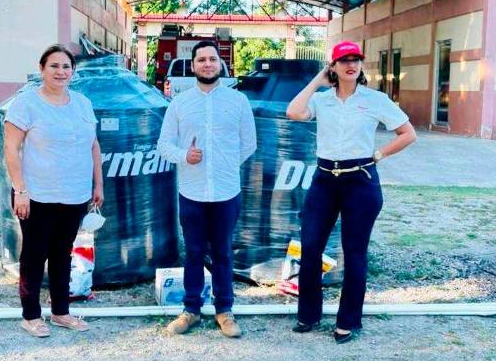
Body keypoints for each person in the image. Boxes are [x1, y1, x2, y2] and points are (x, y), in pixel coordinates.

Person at [286, 40, 416, 343]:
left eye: (356, 59)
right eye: (344, 60)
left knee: (354, 252)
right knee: (311, 247)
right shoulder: (322, 100)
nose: (351, 65)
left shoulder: (375, 99)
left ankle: (347, 321)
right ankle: (308, 315)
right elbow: (293, 112)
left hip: (360, 180)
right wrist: (317, 81)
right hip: (324, 180)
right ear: (333, 66)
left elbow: (407, 134)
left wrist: (379, 155)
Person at [158, 40, 257, 338]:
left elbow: (249, 143)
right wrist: (184, 156)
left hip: (226, 191)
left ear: (220, 64)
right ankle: (191, 310)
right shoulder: (179, 103)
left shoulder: (238, 101)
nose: (207, 64)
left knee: (223, 251)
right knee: (194, 252)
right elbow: (163, 145)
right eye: (201, 60)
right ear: (193, 66)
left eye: (212, 59)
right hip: (192, 191)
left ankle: (224, 310)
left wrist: (226, 164)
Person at [3, 44, 104, 338]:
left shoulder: (82, 103)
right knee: (34, 255)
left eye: (66, 67)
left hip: (75, 194)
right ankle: (31, 316)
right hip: (37, 195)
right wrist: (20, 190)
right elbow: (11, 148)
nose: (61, 72)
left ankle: (61, 312)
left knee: (63, 253)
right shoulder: (26, 104)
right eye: (54, 66)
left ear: (73, 72)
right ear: (42, 69)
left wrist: (98, 183)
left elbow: (93, 145)